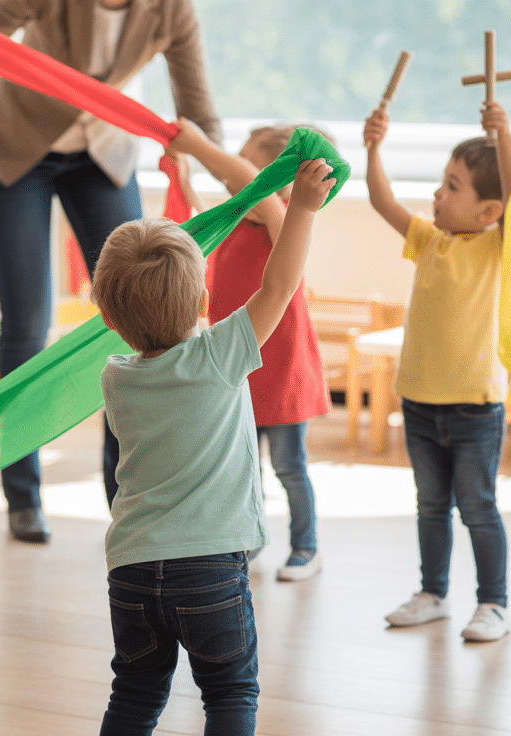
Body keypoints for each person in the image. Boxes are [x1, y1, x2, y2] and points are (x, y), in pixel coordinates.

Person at [91, 152, 336, 734]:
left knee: (135, 691)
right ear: (204, 302)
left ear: (108, 315)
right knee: (229, 694)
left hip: (129, 567)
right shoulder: (219, 356)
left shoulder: (115, 375)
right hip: (208, 568)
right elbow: (280, 285)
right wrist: (301, 208)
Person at [0, 0, 222, 543]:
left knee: (136, 314)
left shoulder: (172, 10)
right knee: (28, 320)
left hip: (101, 155)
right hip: (15, 145)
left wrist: (236, 180)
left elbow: (197, 108)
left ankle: (124, 490)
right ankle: (22, 493)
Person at [363, 101, 511, 642]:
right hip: (419, 402)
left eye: (452, 186)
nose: (437, 194)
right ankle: (432, 592)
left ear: (488, 211)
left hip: (476, 407)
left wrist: (502, 134)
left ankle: (493, 603)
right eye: (442, 182)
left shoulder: (500, 247)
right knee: (430, 505)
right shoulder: (429, 240)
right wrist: (373, 147)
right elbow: (382, 199)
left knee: (478, 508)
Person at [170, 120, 331, 581]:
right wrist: (183, 179)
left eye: (245, 160)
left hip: (278, 361)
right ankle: (250, 540)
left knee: (288, 464)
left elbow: (245, 182)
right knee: (245, 464)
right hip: (240, 360)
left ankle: (306, 547)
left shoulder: (279, 211)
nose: (232, 172)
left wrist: (200, 146)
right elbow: (211, 224)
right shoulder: (245, 213)